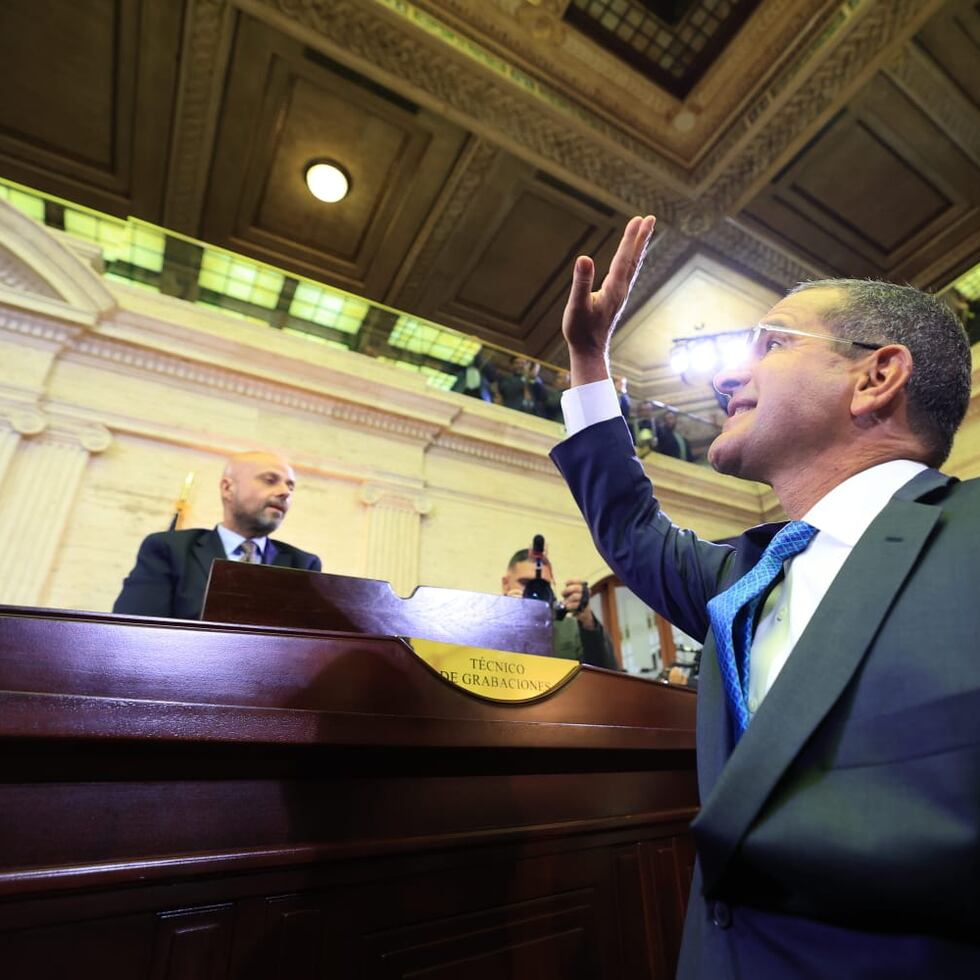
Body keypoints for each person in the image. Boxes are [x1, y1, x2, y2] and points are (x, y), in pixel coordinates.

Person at [550, 215, 980, 977]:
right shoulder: (743, 578)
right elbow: (629, 526)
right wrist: (589, 361)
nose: (723, 379)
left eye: (773, 344)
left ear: (876, 377)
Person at [113, 450, 321, 619]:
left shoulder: (303, 565)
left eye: (290, 486)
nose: (285, 492)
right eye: (270, 480)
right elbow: (136, 631)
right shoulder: (169, 549)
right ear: (227, 488)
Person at [501, 547, 618, 670]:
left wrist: (587, 621)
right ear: (506, 584)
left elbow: (606, 674)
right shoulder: (487, 624)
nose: (534, 591)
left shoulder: (571, 630)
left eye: (542, 585)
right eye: (525, 583)